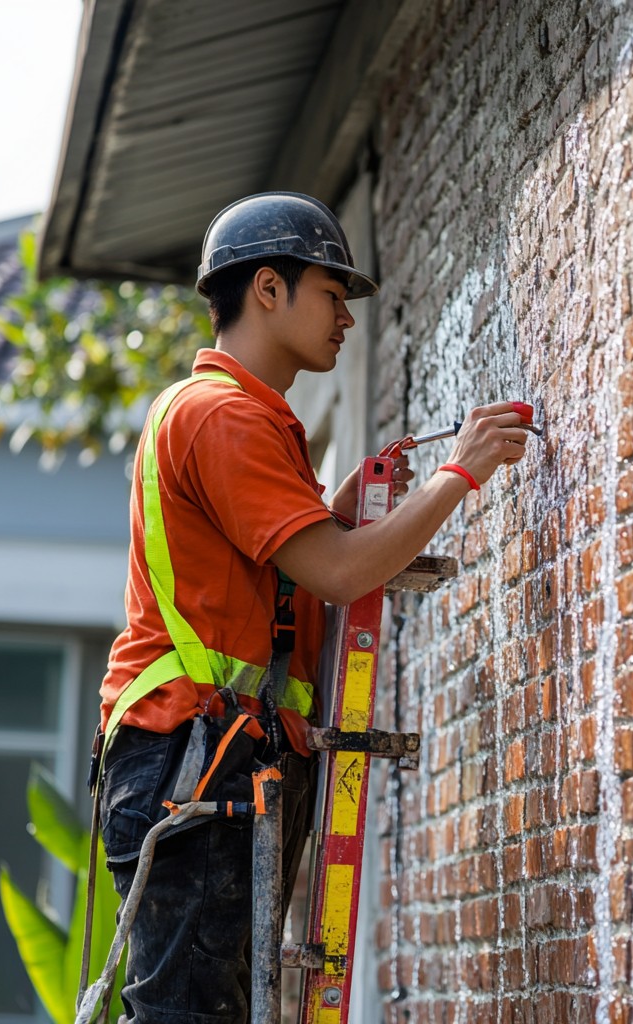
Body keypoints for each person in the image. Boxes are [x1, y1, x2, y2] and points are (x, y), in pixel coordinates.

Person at [93, 191, 529, 1024]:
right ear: (267, 289)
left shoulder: (247, 420)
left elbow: (288, 574)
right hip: (196, 755)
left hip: (217, 755)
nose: (346, 319)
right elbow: (334, 572)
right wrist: (460, 473)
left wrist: (352, 504)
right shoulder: (224, 419)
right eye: (332, 294)